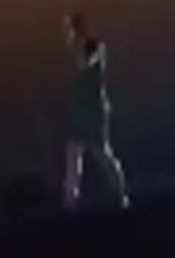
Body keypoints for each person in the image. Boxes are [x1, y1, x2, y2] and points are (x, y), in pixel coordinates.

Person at [62, 12, 130, 210]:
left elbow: (84, 63)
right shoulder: (75, 47)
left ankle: (120, 194)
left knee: (101, 152)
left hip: (93, 109)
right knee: (73, 152)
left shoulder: (93, 45)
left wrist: (76, 45)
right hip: (79, 108)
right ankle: (70, 199)